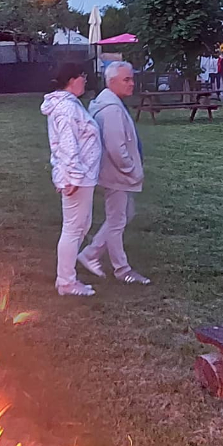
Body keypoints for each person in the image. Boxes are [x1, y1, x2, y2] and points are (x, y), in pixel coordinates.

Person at [78, 61, 148, 285]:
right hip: (116, 174)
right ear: (112, 81)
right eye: (126, 79)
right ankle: (122, 270)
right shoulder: (111, 110)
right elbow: (116, 148)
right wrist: (131, 170)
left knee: (123, 215)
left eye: (132, 78)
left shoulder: (109, 103)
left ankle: (90, 253)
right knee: (117, 221)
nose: (132, 83)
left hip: (112, 172)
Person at [41, 60, 102, 296]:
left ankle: (67, 277)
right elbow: (67, 145)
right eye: (82, 76)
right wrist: (74, 178)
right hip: (76, 177)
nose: (85, 80)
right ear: (72, 80)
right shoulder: (67, 108)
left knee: (81, 226)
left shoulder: (70, 105)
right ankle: (66, 282)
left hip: (82, 176)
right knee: (73, 229)